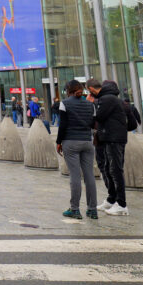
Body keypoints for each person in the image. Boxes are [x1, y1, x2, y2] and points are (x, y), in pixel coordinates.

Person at [56, 79, 98, 220]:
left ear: (68, 91)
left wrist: (58, 142)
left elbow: (62, 125)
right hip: (87, 142)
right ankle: (92, 210)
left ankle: (75, 209)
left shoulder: (65, 103)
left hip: (71, 141)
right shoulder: (90, 105)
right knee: (89, 176)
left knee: (75, 176)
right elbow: (93, 124)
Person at [86, 79, 129, 216]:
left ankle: (122, 204)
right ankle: (112, 199)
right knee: (108, 169)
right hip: (108, 138)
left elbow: (99, 117)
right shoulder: (107, 98)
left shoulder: (107, 99)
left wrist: (90, 104)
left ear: (91, 89)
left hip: (114, 139)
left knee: (115, 170)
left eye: (88, 90)